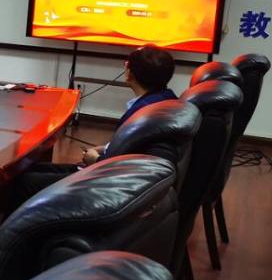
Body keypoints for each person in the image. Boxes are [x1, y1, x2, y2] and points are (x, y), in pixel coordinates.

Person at [10, 44, 178, 205]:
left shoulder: (143, 114)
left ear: (130, 74)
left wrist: (96, 159)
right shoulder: (165, 100)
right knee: (29, 171)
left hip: (106, 183)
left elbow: (125, 163)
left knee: (24, 183)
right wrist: (106, 148)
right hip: (114, 173)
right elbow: (135, 146)